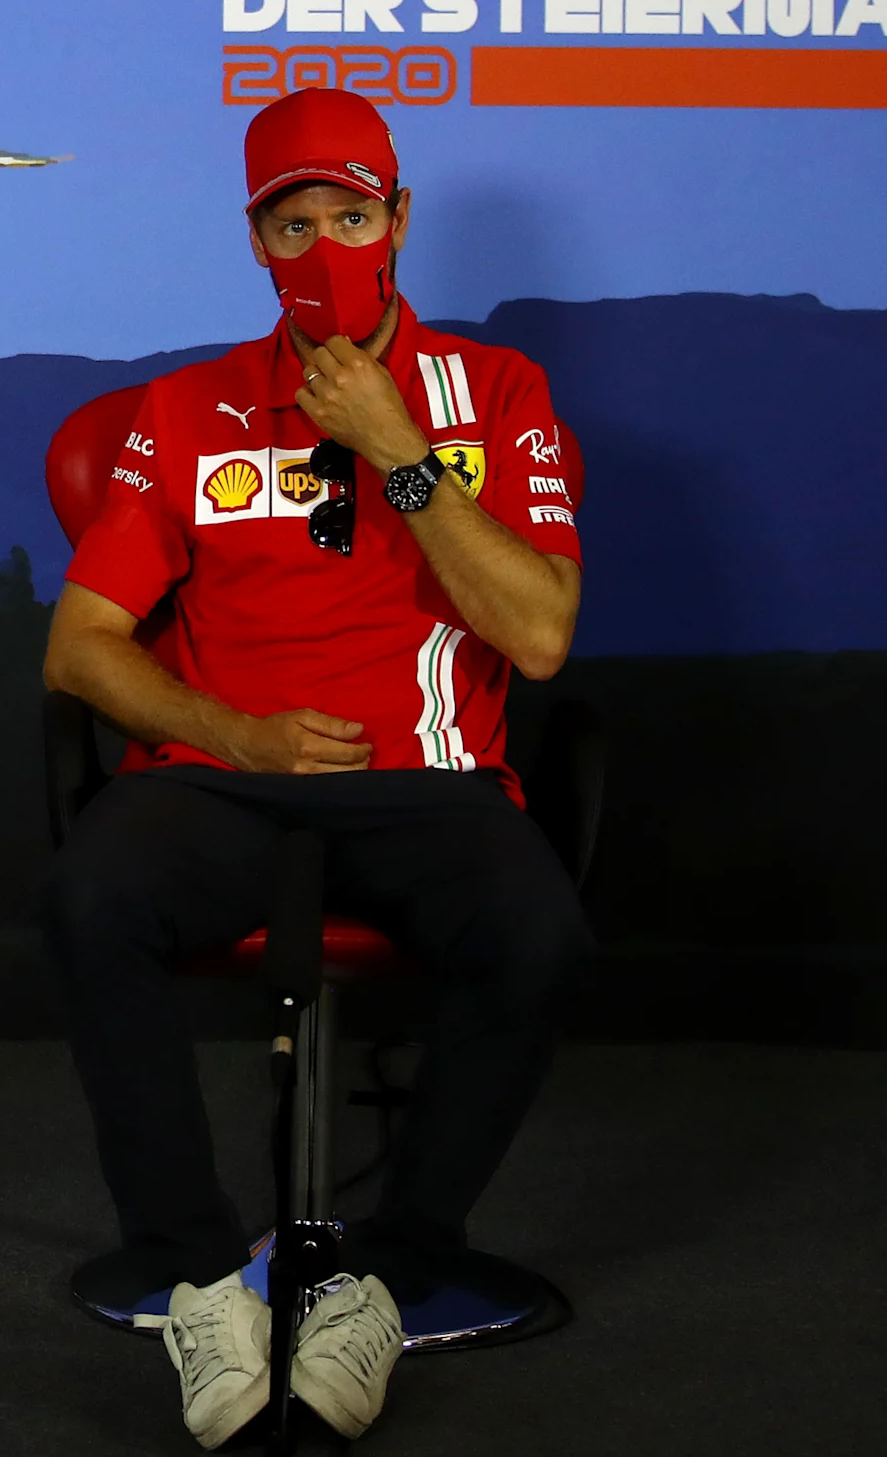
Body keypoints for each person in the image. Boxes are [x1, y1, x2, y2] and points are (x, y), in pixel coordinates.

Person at [41, 87, 592, 1448]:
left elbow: (537, 634)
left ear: (398, 220)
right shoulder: (180, 410)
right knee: (89, 898)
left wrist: (400, 454)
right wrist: (233, 732)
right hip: (220, 779)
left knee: (535, 934)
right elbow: (81, 649)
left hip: (431, 781)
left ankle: (391, 1277)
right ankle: (200, 1277)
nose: (326, 247)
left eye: (352, 215)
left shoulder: (501, 394)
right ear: (257, 242)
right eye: (295, 225)